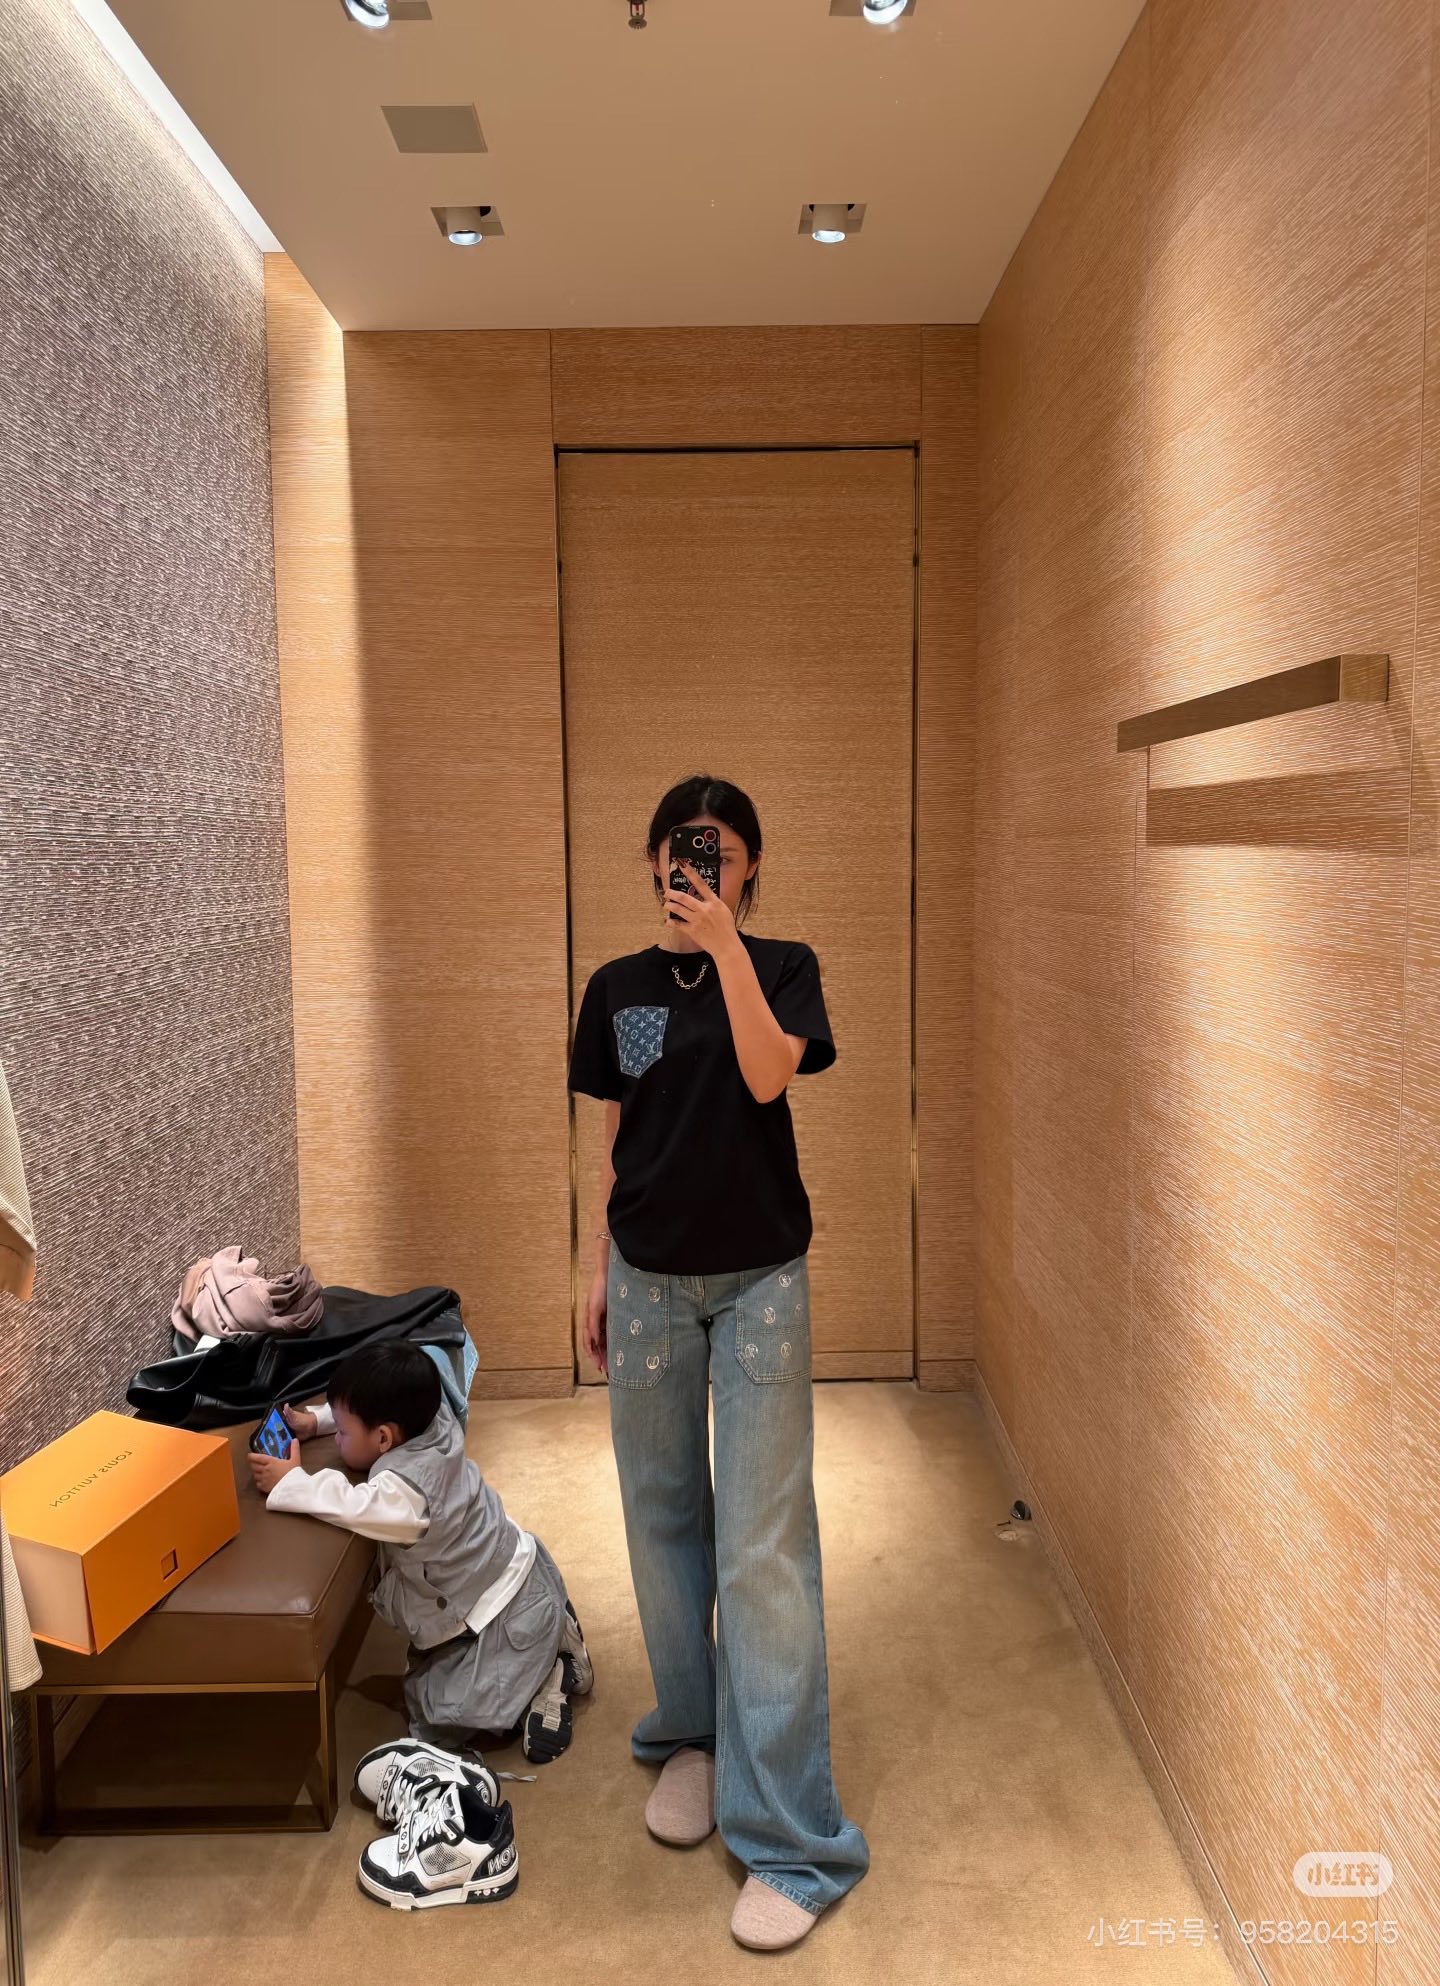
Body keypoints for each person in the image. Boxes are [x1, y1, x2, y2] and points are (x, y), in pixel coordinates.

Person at [566, 774, 869, 1953]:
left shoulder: (782, 966)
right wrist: (596, 1264)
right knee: (660, 1520)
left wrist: (730, 946)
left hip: (759, 1286)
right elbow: (618, 1138)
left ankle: (794, 1841)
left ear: (749, 870)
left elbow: (764, 1075)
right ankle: (691, 1736)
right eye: (682, 851)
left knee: (761, 1544)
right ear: (654, 861)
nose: (697, 868)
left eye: (722, 853)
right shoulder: (617, 989)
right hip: (646, 1279)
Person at [247, 1340, 593, 1771]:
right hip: (510, 1565)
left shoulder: (407, 1496)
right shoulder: (432, 1414)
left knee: (437, 1716)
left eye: (342, 1431)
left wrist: (292, 1480)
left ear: (383, 1438)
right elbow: (372, 1407)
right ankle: (547, 1635)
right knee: (427, 1693)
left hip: (498, 1609)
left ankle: (547, 1669)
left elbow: (352, 1505)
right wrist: (315, 1421)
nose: (337, 1438)